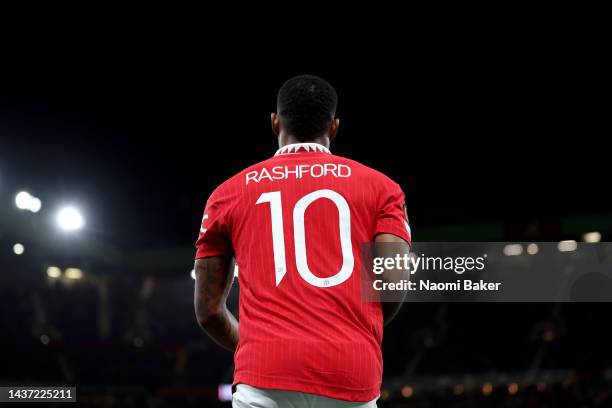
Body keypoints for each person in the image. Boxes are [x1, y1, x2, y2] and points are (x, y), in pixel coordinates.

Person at [194, 74, 411, 407]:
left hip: (264, 375)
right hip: (351, 370)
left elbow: (208, 312)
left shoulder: (227, 194)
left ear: (274, 122)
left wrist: (262, 345)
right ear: (334, 127)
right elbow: (393, 287)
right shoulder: (383, 189)